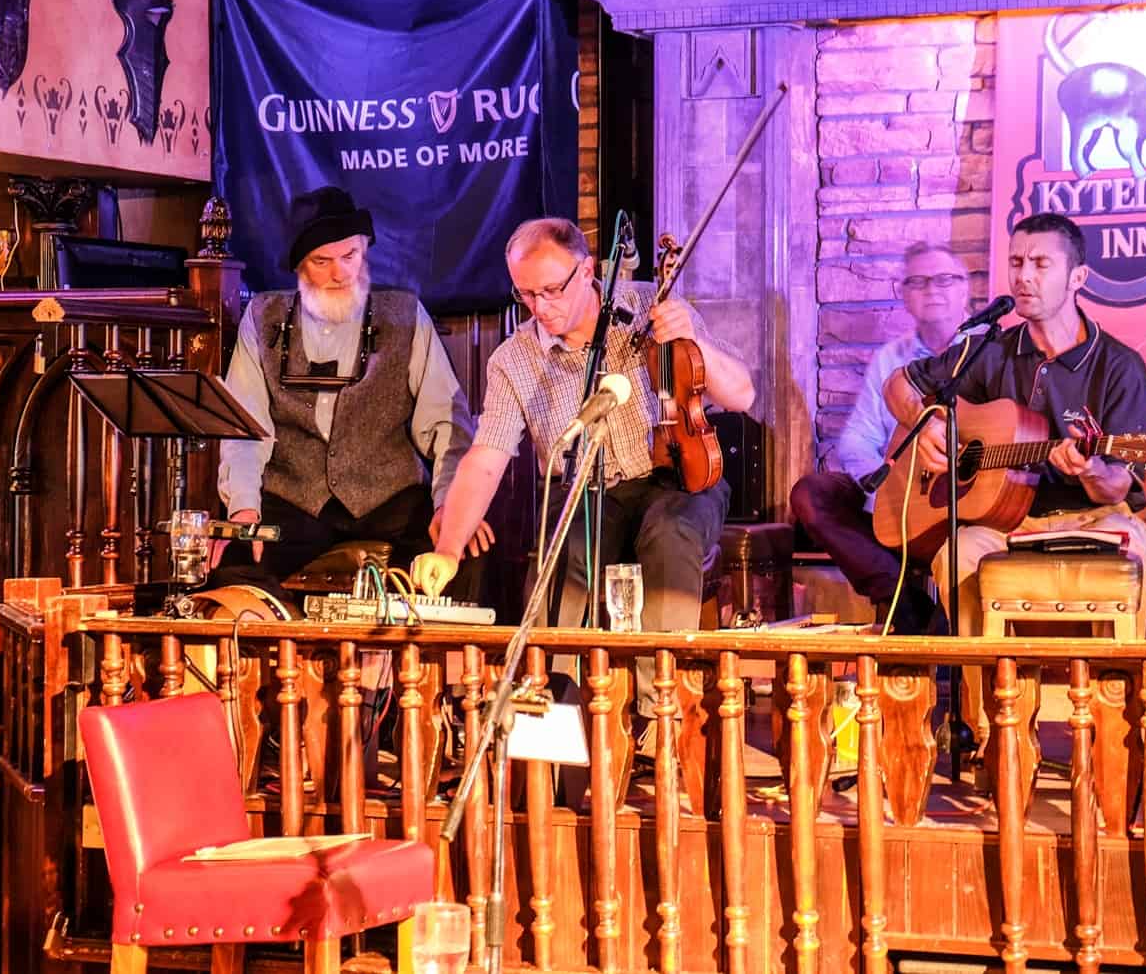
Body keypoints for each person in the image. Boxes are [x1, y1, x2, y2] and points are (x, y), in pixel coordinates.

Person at [430, 218, 754, 678]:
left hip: (678, 479)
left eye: (551, 291)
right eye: (525, 295)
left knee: (668, 533)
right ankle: (552, 704)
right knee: (564, 552)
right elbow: (486, 457)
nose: (539, 307)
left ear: (585, 272)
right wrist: (448, 547)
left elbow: (742, 395)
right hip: (587, 489)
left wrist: (693, 340)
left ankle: (657, 711)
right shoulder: (514, 359)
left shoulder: (651, 304)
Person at [886, 212, 1146, 740]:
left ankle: (1110, 734)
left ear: (1077, 278)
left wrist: (1093, 469)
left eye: (1039, 263)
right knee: (956, 554)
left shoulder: (1119, 367)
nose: (1023, 276)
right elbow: (901, 383)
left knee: (1136, 547)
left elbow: (1120, 484)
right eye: (1015, 262)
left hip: (1091, 517)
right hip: (1009, 523)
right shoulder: (989, 348)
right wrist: (925, 426)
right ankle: (987, 729)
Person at [213, 185, 489, 597]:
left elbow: (447, 426)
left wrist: (452, 505)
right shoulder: (263, 318)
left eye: (350, 257)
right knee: (231, 568)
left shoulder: (405, 316)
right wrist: (243, 508)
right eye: (322, 261)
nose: (340, 273)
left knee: (463, 554)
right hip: (293, 500)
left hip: (389, 499)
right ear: (299, 266)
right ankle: (290, 658)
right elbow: (245, 429)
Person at [788, 241, 971, 633]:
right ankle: (901, 598)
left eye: (944, 279)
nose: (932, 290)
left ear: (965, 288)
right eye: (918, 282)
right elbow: (856, 440)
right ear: (903, 294)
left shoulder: (991, 348)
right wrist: (890, 492)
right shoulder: (892, 357)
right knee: (811, 494)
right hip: (901, 501)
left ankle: (930, 620)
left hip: (963, 506)